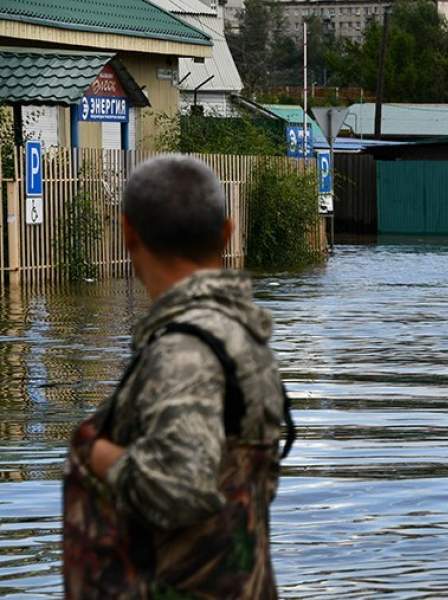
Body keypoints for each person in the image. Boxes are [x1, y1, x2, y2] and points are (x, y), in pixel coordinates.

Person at [62, 155, 294, 599]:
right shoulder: (241, 336)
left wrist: (96, 455)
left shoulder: (184, 351)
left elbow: (181, 486)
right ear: (227, 233)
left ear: (128, 233)